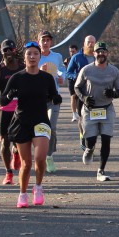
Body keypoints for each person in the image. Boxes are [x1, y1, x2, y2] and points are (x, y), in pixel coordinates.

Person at [0, 41, 63, 207]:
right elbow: (2, 100)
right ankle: (22, 194)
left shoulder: (46, 78)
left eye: (36, 53)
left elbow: (53, 95)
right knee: (26, 163)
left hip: (41, 120)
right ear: (24, 57)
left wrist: (56, 98)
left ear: (40, 57)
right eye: (29, 54)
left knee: (40, 158)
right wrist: (10, 95)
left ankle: (38, 187)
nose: (32, 56)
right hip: (22, 121)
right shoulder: (17, 78)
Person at [74, 42, 119, 181]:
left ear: (107, 53)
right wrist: (84, 98)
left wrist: (113, 94)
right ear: (94, 53)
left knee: (106, 140)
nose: (101, 54)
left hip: (107, 109)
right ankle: (89, 149)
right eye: (99, 52)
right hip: (90, 109)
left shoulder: (114, 71)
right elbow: (77, 87)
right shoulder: (86, 70)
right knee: (91, 140)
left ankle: (101, 171)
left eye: (104, 52)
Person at [0, 39, 23, 185]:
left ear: (15, 51)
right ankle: (8, 173)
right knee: (5, 141)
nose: (8, 52)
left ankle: (16, 152)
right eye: (5, 50)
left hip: (21, 109)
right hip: (5, 110)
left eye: (11, 49)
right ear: (1, 52)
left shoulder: (22, 67)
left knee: (20, 141)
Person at [36, 30, 65, 172]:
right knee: (38, 128)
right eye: (43, 40)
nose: (46, 43)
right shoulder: (34, 55)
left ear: (51, 42)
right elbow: (28, 72)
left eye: (48, 40)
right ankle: (38, 154)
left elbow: (62, 69)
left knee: (51, 127)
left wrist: (61, 77)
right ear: (39, 42)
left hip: (53, 97)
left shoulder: (57, 56)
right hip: (37, 98)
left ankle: (49, 156)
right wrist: (39, 70)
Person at [65, 36, 96, 119]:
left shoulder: (98, 57)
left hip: (96, 90)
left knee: (95, 117)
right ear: (84, 43)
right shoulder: (76, 57)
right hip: (82, 91)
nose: (90, 44)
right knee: (82, 116)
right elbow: (68, 72)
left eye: (92, 42)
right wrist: (77, 76)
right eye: (88, 42)